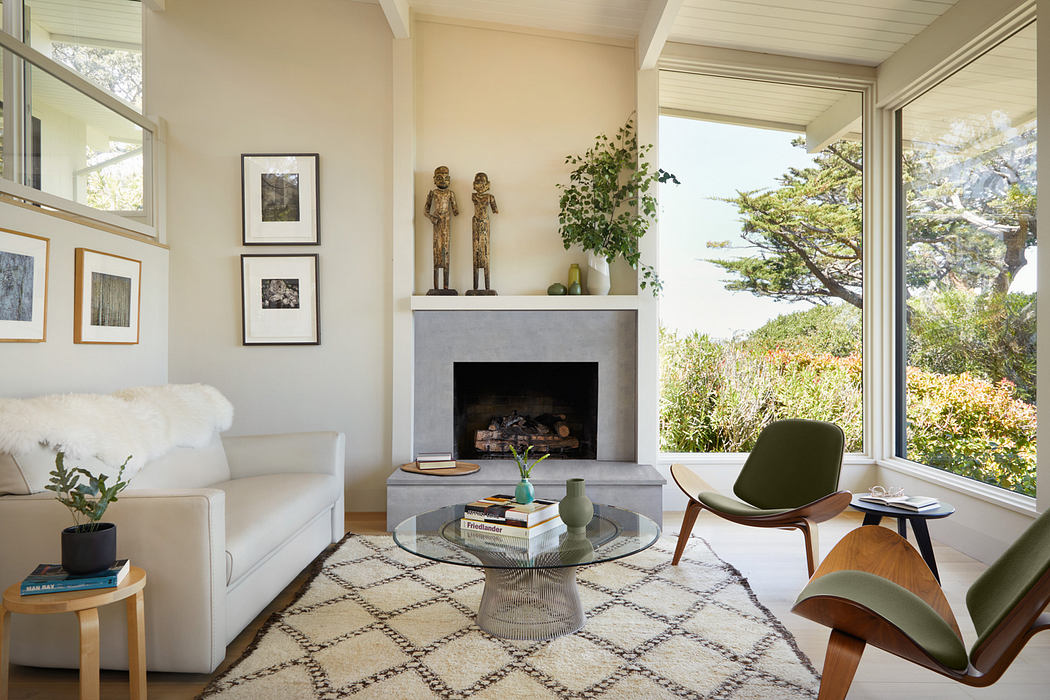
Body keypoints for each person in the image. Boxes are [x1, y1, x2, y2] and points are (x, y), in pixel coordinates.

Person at [424, 166, 458, 292]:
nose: (443, 180)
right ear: (434, 179)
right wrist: (431, 217)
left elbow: (455, 210)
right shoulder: (433, 193)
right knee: (436, 253)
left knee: (446, 253)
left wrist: (455, 210)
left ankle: (446, 286)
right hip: (437, 223)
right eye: (439, 178)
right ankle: (436, 287)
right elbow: (426, 210)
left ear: (449, 179)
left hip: (446, 224)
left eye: (445, 178)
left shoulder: (450, 194)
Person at [470, 172, 499, 293]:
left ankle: (487, 287)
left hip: (485, 224)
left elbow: (495, 209)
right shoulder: (473, 196)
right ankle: (475, 287)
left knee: (485, 255)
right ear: (474, 184)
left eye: (482, 182)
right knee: (475, 254)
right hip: (476, 222)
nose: (480, 184)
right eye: (477, 182)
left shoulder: (490, 197)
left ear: (487, 184)